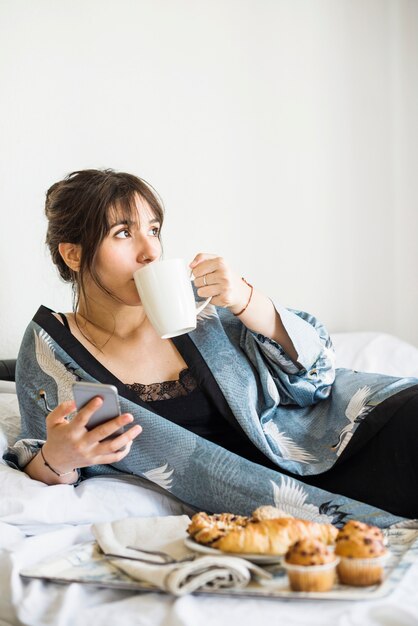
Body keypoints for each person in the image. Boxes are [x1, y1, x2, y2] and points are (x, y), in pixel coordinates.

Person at [4, 169, 418, 527]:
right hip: (275, 495)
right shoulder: (50, 349)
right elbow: (43, 454)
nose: (150, 251)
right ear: (74, 254)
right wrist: (58, 460)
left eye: (153, 230)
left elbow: (316, 376)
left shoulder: (196, 305)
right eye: (124, 233)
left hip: (349, 429)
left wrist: (246, 300)